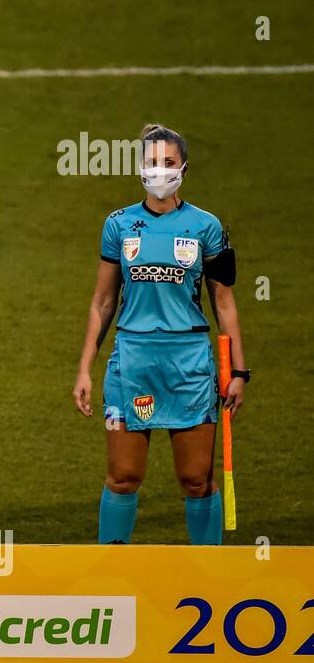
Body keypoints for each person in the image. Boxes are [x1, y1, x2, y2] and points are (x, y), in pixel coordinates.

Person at [73, 124, 247, 545]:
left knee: (195, 481)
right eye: (151, 162)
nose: (159, 171)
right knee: (123, 478)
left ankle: (208, 577)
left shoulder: (206, 227)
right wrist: (84, 369)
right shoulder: (119, 224)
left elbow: (224, 302)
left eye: (168, 163)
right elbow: (102, 302)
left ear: (184, 168)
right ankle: (112, 574)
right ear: (139, 168)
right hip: (131, 363)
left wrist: (240, 371)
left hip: (189, 365)